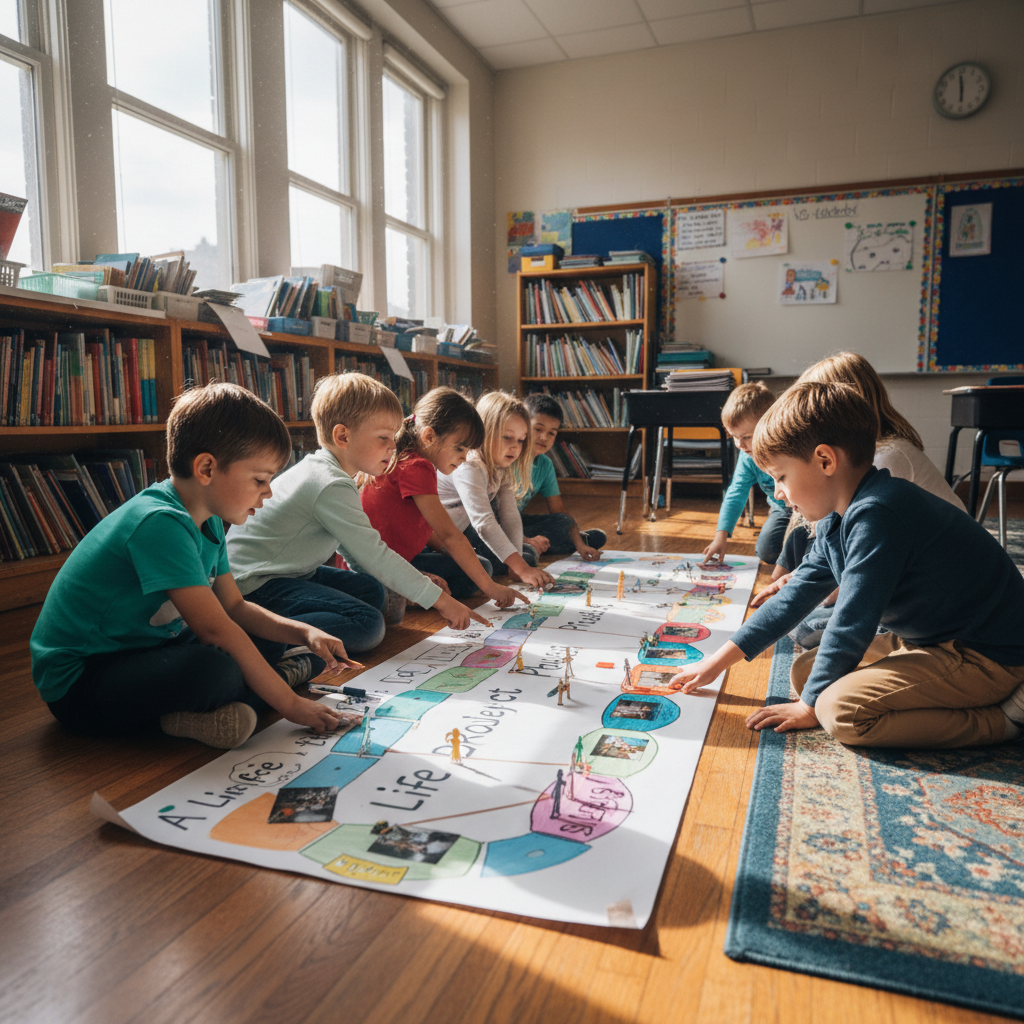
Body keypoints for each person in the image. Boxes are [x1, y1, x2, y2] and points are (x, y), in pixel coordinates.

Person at [670, 381, 1024, 749]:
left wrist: (808, 708)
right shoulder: (837, 518)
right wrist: (715, 663)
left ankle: (1002, 719)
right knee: (807, 672)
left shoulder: (878, 515)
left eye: (781, 477)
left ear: (825, 460)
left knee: (839, 711)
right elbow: (793, 597)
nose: (777, 492)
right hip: (929, 637)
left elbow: (852, 622)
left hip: (985, 653)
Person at [30, 383, 351, 749]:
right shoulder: (159, 523)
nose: (269, 492)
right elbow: (216, 631)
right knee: (218, 671)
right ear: (207, 468)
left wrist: (303, 633)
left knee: (260, 635)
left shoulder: (209, 519)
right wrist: (293, 706)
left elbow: (233, 607)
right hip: (82, 683)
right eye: (260, 479)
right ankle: (225, 704)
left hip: (143, 649)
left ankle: (239, 701)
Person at [227, 373, 487, 682]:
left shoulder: (331, 473)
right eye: (383, 438)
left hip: (289, 573)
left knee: (373, 592)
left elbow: (353, 550)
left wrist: (415, 582)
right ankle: (273, 642)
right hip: (256, 585)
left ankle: (285, 632)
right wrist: (443, 602)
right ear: (343, 437)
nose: (393, 446)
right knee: (368, 625)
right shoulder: (329, 483)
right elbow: (374, 554)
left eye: (394, 436)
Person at [775, 351, 967, 647]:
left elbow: (866, 565)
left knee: (804, 627)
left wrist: (821, 591)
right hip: (908, 577)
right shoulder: (872, 457)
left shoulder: (887, 459)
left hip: (933, 594)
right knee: (796, 611)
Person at [361, 387, 528, 608]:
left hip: (400, 558)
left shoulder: (415, 460)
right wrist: (491, 588)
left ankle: (413, 587)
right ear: (429, 436)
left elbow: (432, 533)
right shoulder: (416, 466)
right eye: (459, 448)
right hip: (379, 567)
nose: (464, 458)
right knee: (478, 573)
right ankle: (403, 591)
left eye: (468, 450)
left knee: (481, 567)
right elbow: (450, 536)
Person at [436, 391, 554, 590]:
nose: (515, 447)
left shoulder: (501, 467)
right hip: (435, 541)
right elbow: (483, 522)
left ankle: (517, 556)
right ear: (485, 432)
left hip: (458, 536)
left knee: (517, 557)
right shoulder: (469, 465)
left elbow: (510, 514)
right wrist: (523, 569)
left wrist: (518, 568)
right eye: (507, 437)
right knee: (484, 570)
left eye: (521, 440)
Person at [702, 381, 790, 566]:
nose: (740, 445)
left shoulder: (788, 450)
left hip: (809, 510)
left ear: (769, 424)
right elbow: (736, 493)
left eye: (747, 437)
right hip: (782, 509)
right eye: (734, 436)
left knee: (798, 551)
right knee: (766, 551)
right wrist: (721, 536)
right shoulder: (747, 457)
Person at [517, 393, 605, 565]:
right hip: (498, 526)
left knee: (564, 522)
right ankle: (528, 548)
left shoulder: (545, 464)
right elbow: (494, 517)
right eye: (538, 429)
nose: (544, 437)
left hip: (518, 524)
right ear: (524, 426)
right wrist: (526, 539)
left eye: (552, 433)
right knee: (528, 547)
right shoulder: (509, 457)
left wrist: (580, 546)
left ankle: (535, 547)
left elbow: (558, 511)